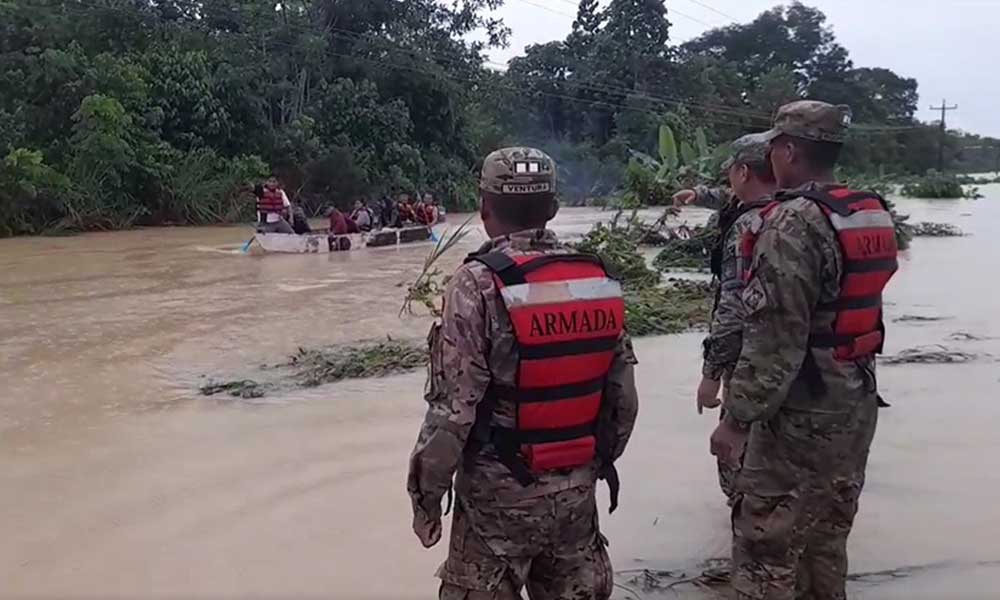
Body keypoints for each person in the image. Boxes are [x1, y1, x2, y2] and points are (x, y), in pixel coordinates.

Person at [407, 147, 639, 600]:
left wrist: (426, 497)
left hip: (496, 508)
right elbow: (623, 399)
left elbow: (453, 414)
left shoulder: (475, 284)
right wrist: (590, 465)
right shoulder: (595, 279)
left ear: (484, 208)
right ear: (553, 208)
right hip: (575, 496)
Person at [710, 101, 898, 600]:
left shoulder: (791, 222)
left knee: (767, 547)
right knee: (826, 541)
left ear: (788, 151)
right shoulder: (867, 211)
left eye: (774, 146)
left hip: (799, 415)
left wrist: (735, 420)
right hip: (854, 402)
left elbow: (776, 340)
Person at [674, 134, 778, 503]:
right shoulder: (798, 211)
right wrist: (698, 195)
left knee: (738, 459)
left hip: (751, 359)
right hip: (801, 362)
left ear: (743, 171)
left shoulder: (747, 230)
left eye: (731, 172)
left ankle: (747, 532)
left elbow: (733, 310)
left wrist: (710, 375)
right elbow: (730, 197)